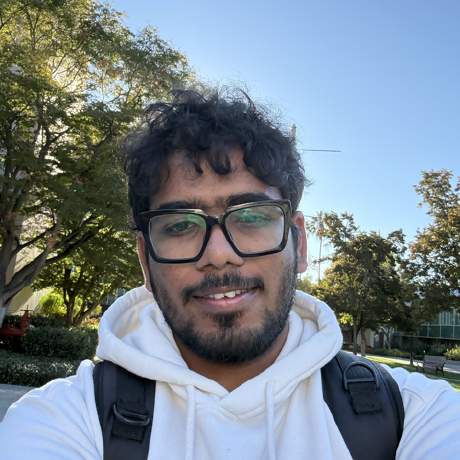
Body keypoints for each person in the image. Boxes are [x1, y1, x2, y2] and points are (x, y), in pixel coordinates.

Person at [1, 89, 460, 460]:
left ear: (299, 244)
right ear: (145, 261)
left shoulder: (417, 414)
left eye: (253, 217)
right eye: (179, 226)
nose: (219, 255)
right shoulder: (61, 420)